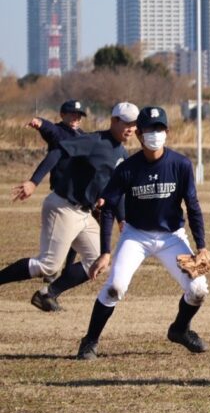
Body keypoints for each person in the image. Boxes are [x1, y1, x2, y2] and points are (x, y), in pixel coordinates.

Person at [77, 106, 210, 360]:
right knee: (115, 286)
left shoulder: (181, 165)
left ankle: (180, 329)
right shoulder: (127, 168)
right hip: (136, 235)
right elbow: (107, 206)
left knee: (198, 290)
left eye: (159, 128)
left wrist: (201, 245)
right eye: (149, 129)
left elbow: (192, 206)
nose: (155, 134)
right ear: (139, 134)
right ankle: (90, 340)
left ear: (167, 131)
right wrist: (106, 251)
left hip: (172, 236)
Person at [4, 103, 138, 313]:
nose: (130, 128)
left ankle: (48, 294)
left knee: (98, 261)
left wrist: (122, 219)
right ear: (113, 121)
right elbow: (59, 151)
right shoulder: (95, 140)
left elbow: (117, 190)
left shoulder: (122, 153)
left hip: (84, 213)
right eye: (126, 122)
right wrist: (33, 182)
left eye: (134, 124)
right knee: (48, 265)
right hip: (63, 207)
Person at [25, 99, 89, 290]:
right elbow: (49, 129)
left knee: (75, 236)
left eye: (79, 115)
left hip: (80, 196)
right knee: (64, 239)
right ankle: (53, 273)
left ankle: (64, 270)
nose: (76, 117)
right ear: (62, 115)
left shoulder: (83, 135)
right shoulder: (59, 133)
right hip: (62, 195)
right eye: (72, 114)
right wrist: (40, 123)